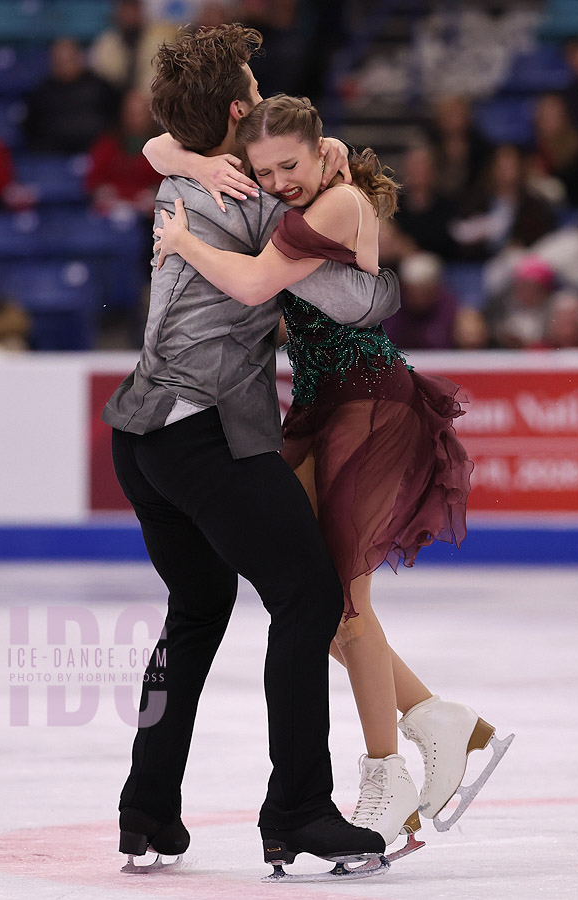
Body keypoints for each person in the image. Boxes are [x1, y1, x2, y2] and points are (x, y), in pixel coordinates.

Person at [154, 93, 511, 847]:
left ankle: (388, 776)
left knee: (342, 596)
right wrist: (189, 161)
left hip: (366, 405)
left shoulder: (338, 201)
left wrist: (182, 241)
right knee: (304, 593)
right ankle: (432, 717)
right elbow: (156, 148)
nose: (278, 179)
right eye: (265, 170)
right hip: (320, 400)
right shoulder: (321, 180)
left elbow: (253, 284)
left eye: (290, 165)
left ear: (319, 153)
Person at [103, 24, 400, 879]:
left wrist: (185, 160)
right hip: (200, 433)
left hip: (138, 434)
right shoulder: (268, 204)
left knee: (197, 609)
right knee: (307, 597)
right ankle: (298, 810)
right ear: (239, 111)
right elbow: (358, 305)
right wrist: (347, 211)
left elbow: (159, 141)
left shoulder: (180, 173)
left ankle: (146, 808)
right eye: (253, 85)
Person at [24, 38, 120, 154]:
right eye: (60, 61)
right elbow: (31, 125)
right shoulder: (43, 91)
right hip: (53, 153)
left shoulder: (100, 87)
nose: (66, 66)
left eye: (69, 59)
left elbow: (115, 120)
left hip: (94, 151)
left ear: (80, 58)